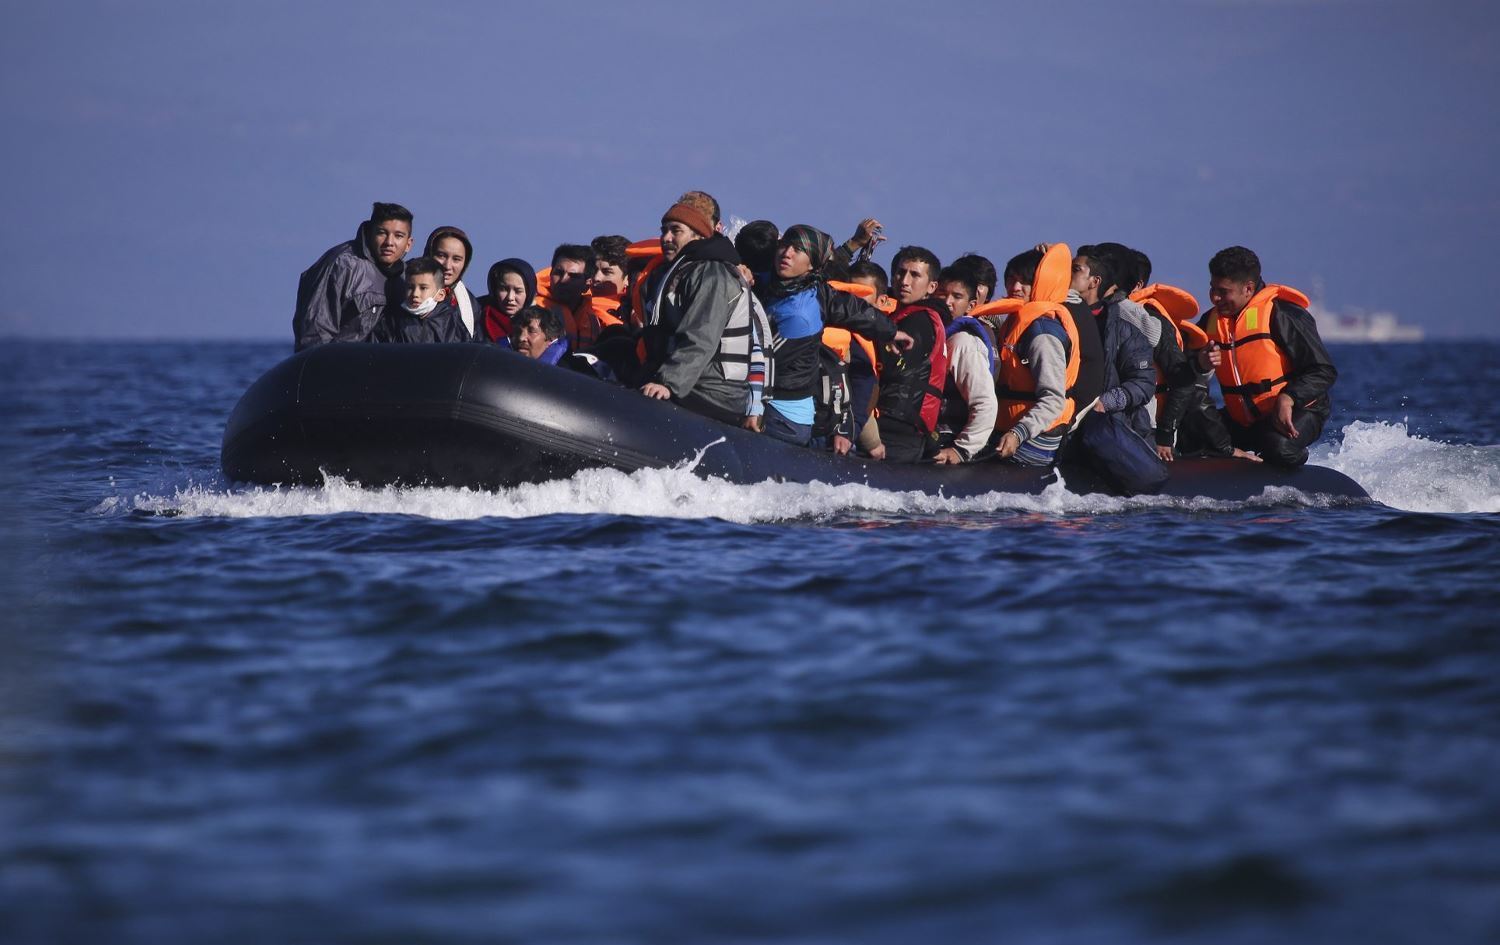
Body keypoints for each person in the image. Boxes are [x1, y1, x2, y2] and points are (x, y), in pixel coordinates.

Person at [753, 224, 905, 448]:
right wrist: (890, 331)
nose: (787, 253)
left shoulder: (802, 312)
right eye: (784, 245)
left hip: (783, 416)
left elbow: (761, 358)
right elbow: (853, 308)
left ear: (812, 264)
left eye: (798, 250)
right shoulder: (804, 287)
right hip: (787, 409)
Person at [1199, 246, 1337, 466]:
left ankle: (1297, 467)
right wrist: (1200, 364)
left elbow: (1323, 371)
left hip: (1297, 412)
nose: (1215, 298)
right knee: (1188, 435)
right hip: (1243, 420)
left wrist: (1288, 397)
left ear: (1248, 288)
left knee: (1278, 448)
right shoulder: (1209, 323)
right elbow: (1185, 368)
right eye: (1212, 289)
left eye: (1223, 291)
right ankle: (1239, 458)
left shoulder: (1284, 314)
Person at [639, 193, 769, 426]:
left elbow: (701, 336)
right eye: (664, 230)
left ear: (697, 235)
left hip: (713, 391)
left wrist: (668, 383)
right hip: (694, 381)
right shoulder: (681, 270)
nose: (666, 238)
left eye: (675, 230)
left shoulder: (711, 275)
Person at [1069, 246, 1169, 493]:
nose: (1066, 275)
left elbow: (1144, 381)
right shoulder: (1059, 319)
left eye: (1074, 270)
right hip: (1068, 426)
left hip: (1111, 424)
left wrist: (1109, 401)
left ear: (1095, 281)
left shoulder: (1123, 328)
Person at [293, 201, 412, 350]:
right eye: (382, 233)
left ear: (409, 244)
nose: (389, 242)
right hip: (340, 367)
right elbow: (315, 335)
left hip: (383, 368)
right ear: (369, 233)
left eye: (398, 235)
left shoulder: (409, 277)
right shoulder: (341, 265)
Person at [871, 246, 949, 463]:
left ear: (931, 286)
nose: (904, 281)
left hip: (896, 428)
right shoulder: (910, 316)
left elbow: (892, 367)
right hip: (906, 426)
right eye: (900, 272)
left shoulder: (919, 322)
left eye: (915, 275)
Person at [932, 265, 998, 464]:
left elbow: (985, 403)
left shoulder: (963, 342)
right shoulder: (933, 333)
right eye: (942, 294)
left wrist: (961, 450)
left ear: (970, 306)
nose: (947, 302)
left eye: (957, 296)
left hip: (949, 439)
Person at [374, 257, 472, 343]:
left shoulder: (452, 324)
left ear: (441, 295)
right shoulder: (391, 322)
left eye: (423, 288)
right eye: (410, 287)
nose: (415, 294)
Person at [423, 226, 481, 341]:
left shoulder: (470, 305)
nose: (447, 266)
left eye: (456, 259)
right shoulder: (406, 288)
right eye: (441, 256)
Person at [477, 258, 537, 346]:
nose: (510, 298)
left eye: (518, 291)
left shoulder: (540, 323)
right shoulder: (476, 314)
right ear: (494, 289)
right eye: (503, 289)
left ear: (529, 293)